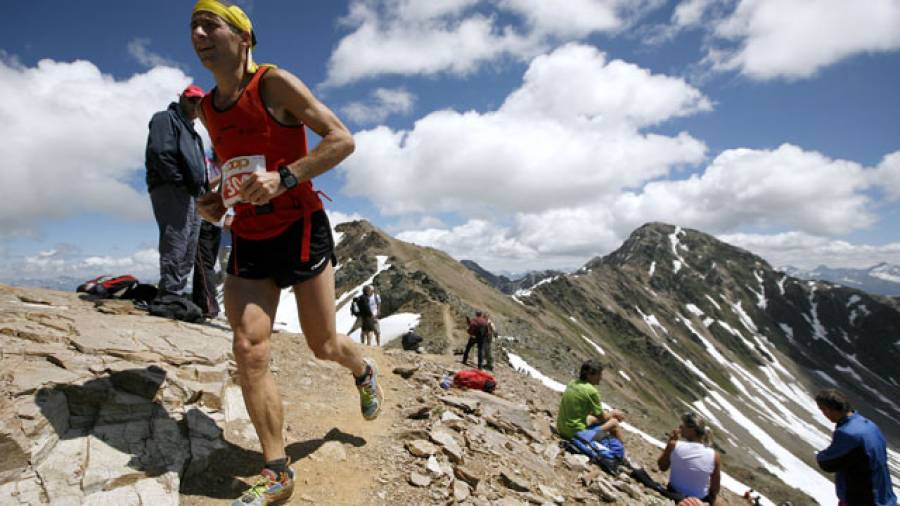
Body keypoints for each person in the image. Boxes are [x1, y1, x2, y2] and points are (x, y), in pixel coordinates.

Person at [190, 2, 383, 505]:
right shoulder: (209, 108)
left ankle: (362, 370)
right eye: (193, 26)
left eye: (210, 24)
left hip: (299, 226)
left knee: (323, 345)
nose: (198, 32)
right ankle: (277, 470)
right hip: (249, 234)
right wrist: (218, 197)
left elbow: (341, 139)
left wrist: (285, 177)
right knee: (248, 347)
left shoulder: (272, 84)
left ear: (243, 38)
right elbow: (238, 164)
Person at [145, 83, 207, 300]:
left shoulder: (193, 133)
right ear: (181, 98)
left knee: (189, 243)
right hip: (171, 188)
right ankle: (170, 293)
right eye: (192, 100)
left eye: (200, 103)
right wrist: (180, 182)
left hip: (192, 193)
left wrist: (202, 192)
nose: (195, 106)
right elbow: (161, 152)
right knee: (176, 238)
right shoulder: (165, 118)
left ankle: (176, 293)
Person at [815, 388, 896, 506]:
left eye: (822, 409)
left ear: (828, 410)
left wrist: (819, 456)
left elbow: (827, 462)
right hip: (884, 496)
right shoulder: (869, 425)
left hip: (863, 499)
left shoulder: (847, 433)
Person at [656, 412, 721, 505]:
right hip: (699, 500)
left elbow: (662, 466)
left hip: (673, 493)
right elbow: (715, 489)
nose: (680, 427)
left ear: (692, 430)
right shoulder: (715, 455)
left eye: (683, 425)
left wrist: (670, 442)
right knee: (718, 502)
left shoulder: (674, 445)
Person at [556, 359, 625, 441]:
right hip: (575, 434)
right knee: (614, 422)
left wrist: (606, 413)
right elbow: (603, 418)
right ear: (589, 375)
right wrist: (613, 413)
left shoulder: (573, 383)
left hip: (561, 428)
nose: (601, 377)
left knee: (592, 418)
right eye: (599, 374)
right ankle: (619, 452)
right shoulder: (591, 391)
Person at [191, 153, 224, 318]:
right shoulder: (205, 163)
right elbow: (201, 188)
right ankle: (210, 306)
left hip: (217, 223)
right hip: (202, 221)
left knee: (206, 265)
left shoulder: (222, 169)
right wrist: (222, 177)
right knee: (205, 265)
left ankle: (200, 304)